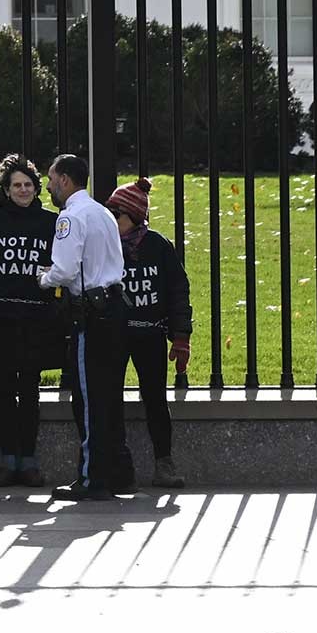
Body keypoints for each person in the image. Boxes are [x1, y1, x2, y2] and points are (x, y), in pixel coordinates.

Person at [0, 153, 60, 487]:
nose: (22, 190)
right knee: (4, 391)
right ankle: (7, 460)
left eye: (28, 185)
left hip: (36, 321)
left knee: (30, 392)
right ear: (6, 188)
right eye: (16, 185)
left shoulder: (51, 224)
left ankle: (29, 461)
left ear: (36, 188)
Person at [41, 150, 131, 501]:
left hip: (90, 314)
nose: (48, 186)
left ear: (65, 180)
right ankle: (119, 472)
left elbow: (63, 270)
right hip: (114, 308)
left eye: (50, 180)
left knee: (89, 400)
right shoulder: (104, 213)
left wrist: (43, 279)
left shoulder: (70, 217)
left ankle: (93, 477)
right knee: (109, 396)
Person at [112, 179, 191, 489]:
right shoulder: (104, 245)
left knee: (156, 398)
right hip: (115, 335)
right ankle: (117, 463)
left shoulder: (158, 246)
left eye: (116, 214)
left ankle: (164, 462)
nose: (111, 220)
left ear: (134, 216)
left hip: (150, 335)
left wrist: (180, 335)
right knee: (110, 398)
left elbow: (177, 290)